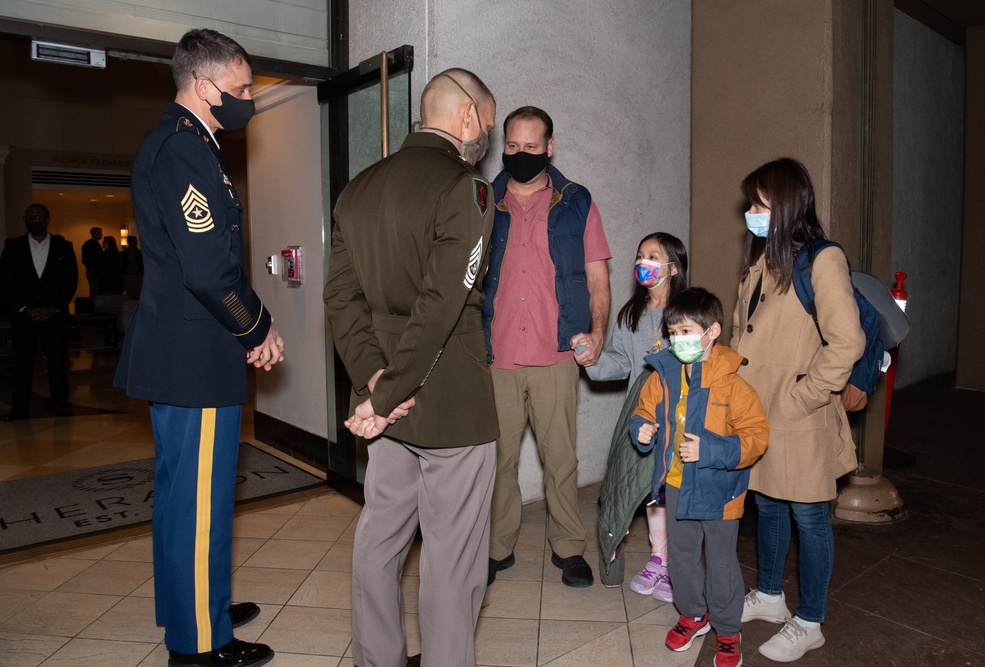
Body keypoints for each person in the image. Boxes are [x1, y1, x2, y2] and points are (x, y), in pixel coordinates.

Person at [114, 28, 284, 667]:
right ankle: (199, 643)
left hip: (186, 350)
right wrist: (258, 329)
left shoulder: (189, 145)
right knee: (199, 502)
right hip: (196, 354)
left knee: (181, 493)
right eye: (240, 90)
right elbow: (209, 269)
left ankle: (192, 602)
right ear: (202, 85)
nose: (247, 101)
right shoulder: (185, 152)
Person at [324, 68, 499, 667]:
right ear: (468, 117)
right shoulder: (467, 188)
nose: (487, 142)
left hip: (384, 399)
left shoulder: (357, 190)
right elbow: (444, 303)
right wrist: (390, 390)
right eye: (488, 127)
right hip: (449, 398)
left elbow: (341, 300)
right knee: (451, 560)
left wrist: (374, 383)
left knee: (379, 539)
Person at [732, 157, 865, 663]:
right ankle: (769, 594)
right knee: (766, 503)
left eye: (759, 203)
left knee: (810, 518)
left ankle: (810, 620)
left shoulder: (820, 260)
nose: (751, 212)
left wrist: (802, 395)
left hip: (800, 416)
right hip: (758, 413)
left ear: (786, 205)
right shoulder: (762, 262)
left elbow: (846, 343)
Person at [482, 106, 612, 588]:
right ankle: (497, 548)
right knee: (499, 461)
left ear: (550, 148)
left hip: (557, 354)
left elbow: (598, 278)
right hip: (495, 357)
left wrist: (598, 334)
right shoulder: (482, 201)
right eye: (511, 146)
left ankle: (569, 549)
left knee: (561, 459)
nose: (519, 154)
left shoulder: (577, 202)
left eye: (531, 147)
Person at [630, 287, 769, 667]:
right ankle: (693, 614)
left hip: (719, 491)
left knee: (721, 564)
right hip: (675, 484)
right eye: (673, 333)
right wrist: (641, 427)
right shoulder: (664, 375)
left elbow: (756, 436)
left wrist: (711, 450)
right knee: (682, 558)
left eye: (687, 331)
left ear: (712, 332)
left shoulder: (733, 383)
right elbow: (644, 410)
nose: (678, 340)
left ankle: (727, 631)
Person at [587, 232, 688, 595]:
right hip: (642, 416)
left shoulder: (686, 312)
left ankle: (678, 562)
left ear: (673, 268)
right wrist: (591, 358)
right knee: (647, 492)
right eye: (640, 255)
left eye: (653, 256)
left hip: (677, 417)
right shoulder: (632, 315)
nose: (643, 262)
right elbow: (618, 363)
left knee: (671, 488)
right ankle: (659, 559)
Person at [0, 203, 78, 420]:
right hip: (24, 317)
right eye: (29, 217)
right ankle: (19, 407)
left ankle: (61, 404)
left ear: (47, 219)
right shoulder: (13, 246)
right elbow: (6, 282)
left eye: (37, 217)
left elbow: (70, 281)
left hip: (54, 317)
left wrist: (55, 307)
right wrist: (26, 309)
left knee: (57, 363)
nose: (33, 220)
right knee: (22, 364)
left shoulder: (64, 247)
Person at [81, 226, 103, 297]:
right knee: (95, 290)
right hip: (94, 272)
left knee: (95, 290)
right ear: (94, 233)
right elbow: (85, 259)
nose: (101, 234)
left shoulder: (92, 244)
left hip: (96, 271)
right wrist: (91, 268)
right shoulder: (90, 245)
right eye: (99, 233)